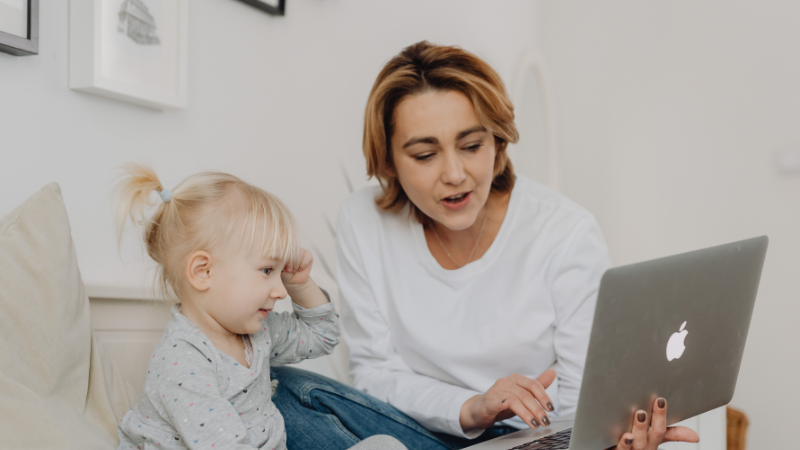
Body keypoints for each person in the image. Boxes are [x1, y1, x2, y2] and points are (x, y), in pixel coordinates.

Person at [271, 42, 700, 450]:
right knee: (284, 392)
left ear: (497, 143)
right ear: (388, 162)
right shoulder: (363, 220)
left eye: (472, 146)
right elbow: (374, 373)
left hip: (529, 439)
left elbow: (580, 400)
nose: (455, 173)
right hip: (414, 430)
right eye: (425, 155)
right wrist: (471, 408)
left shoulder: (564, 232)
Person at [112, 164, 406, 450]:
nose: (280, 291)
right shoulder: (183, 362)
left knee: (385, 445)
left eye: (281, 273)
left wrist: (300, 285)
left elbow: (322, 336)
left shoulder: (257, 333)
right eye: (267, 270)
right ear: (203, 272)